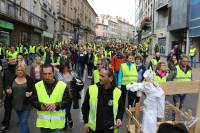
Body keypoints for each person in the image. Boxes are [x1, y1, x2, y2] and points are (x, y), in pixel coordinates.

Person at [30, 64, 70, 133]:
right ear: (42, 74)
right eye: (45, 74)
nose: (47, 76)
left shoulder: (62, 85)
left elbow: (67, 101)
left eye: (49, 74)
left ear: (53, 73)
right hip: (44, 124)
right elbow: (32, 100)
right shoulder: (37, 86)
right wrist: (40, 106)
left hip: (57, 124)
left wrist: (57, 105)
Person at [82, 67, 124, 133]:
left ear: (110, 78)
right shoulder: (91, 89)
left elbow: (120, 108)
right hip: (94, 129)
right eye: (99, 75)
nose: (99, 78)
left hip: (110, 129)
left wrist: (119, 118)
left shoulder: (118, 92)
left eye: (102, 76)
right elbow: (85, 107)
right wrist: (86, 122)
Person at [126, 68, 165, 133]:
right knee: (151, 123)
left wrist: (129, 86)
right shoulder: (155, 85)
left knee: (148, 122)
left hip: (150, 107)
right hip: (153, 107)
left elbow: (139, 86)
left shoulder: (149, 86)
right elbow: (139, 86)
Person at [7, 65, 33, 133]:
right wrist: (8, 90)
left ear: (24, 71)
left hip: (26, 104)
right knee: (23, 122)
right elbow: (8, 87)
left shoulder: (29, 79)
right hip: (16, 105)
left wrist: (31, 93)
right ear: (16, 71)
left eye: (21, 70)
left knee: (23, 122)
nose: (20, 71)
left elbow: (34, 90)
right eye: (18, 70)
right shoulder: (13, 78)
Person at [0, 57, 17, 132]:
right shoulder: (5, 71)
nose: (13, 61)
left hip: (18, 93)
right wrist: (6, 88)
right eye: (11, 60)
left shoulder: (19, 69)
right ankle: (5, 124)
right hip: (9, 94)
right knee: (7, 109)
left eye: (14, 59)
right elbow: (3, 82)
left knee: (21, 109)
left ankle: (23, 120)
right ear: (8, 62)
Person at [56, 62, 74, 129]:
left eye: (66, 68)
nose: (65, 69)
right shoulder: (59, 74)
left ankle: (69, 119)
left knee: (67, 111)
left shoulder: (72, 74)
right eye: (64, 68)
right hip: (61, 95)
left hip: (69, 95)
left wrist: (71, 88)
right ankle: (65, 124)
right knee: (63, 111)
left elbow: (77, 83)